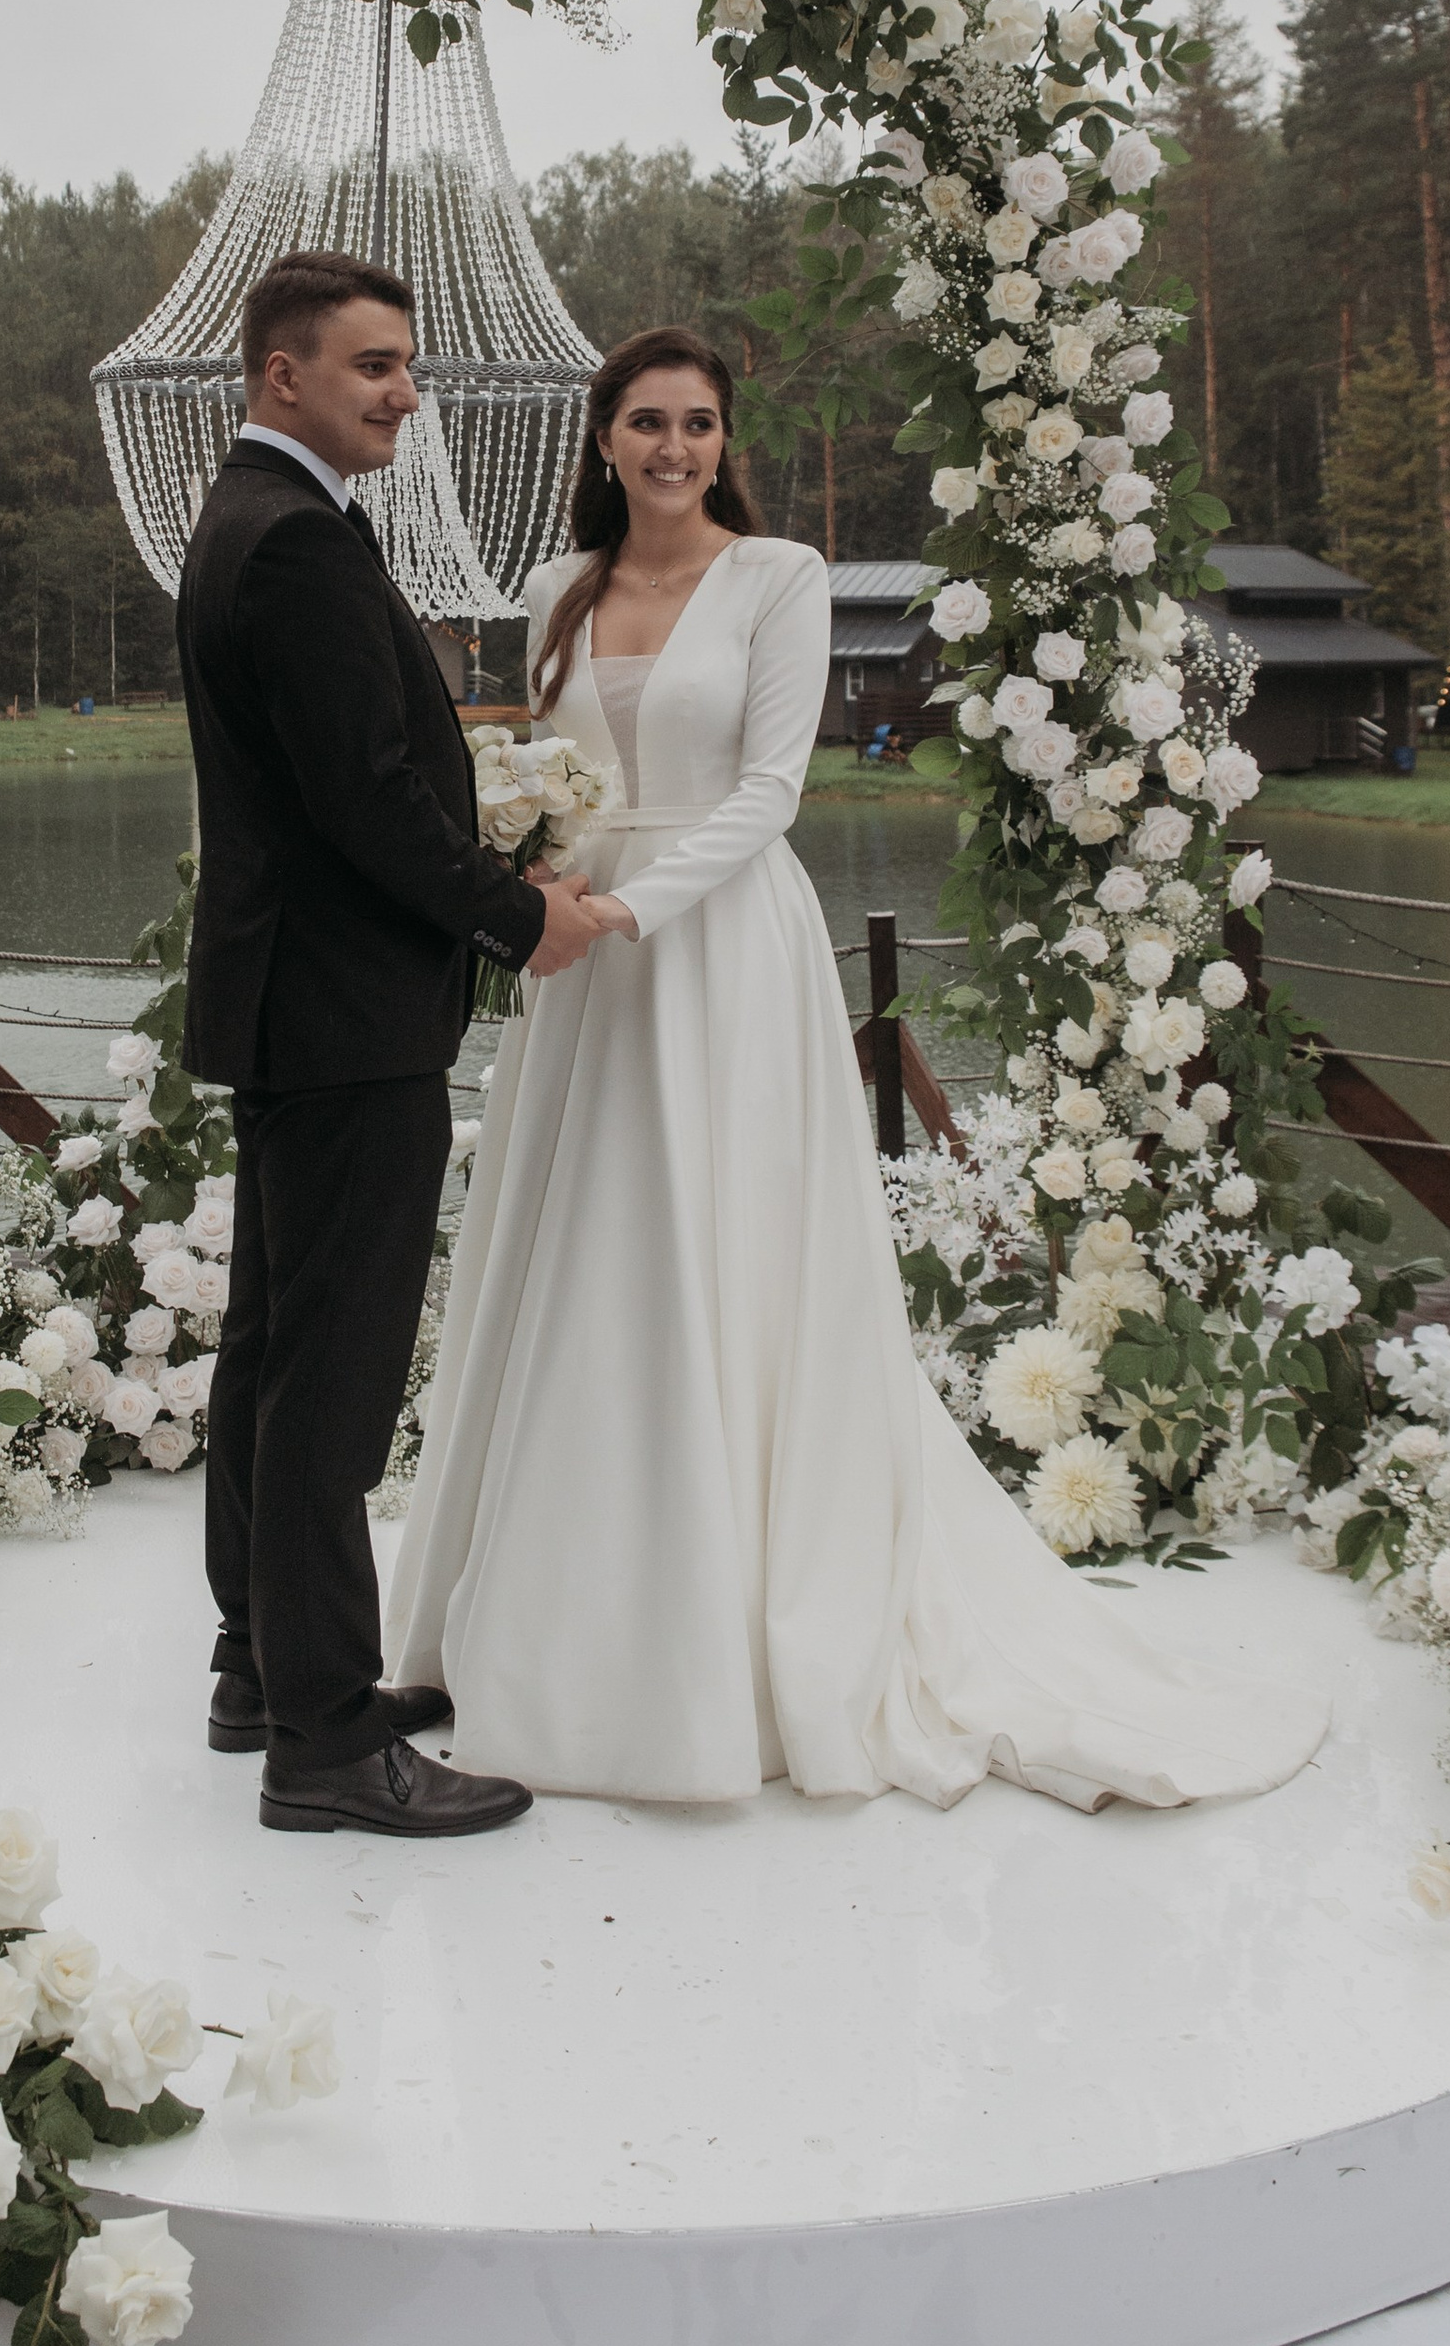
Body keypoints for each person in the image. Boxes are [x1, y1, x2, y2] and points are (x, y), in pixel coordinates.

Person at [388, 327, 1328, 1812]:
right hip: (579, 960)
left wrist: (635, 903)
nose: (674, 447)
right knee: (581, 1249)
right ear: (605, 438)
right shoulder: (554, 592)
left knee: (725, 1248)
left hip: (710, 944)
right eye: (646, 421)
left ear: (725, 440)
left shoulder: (780, 579)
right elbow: (547, 773)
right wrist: (540, 884)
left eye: (698, 423)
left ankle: (733, 1616)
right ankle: (537, 1608)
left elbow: (771, 787)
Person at [175, 250, 614, 1840]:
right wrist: (515, 915)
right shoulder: (288, 543)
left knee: (277, 1347)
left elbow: (353, 774)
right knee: (332, 1380)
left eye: (409, 369)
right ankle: (327, 1737)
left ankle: (259, 1664)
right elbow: (366, 802)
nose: (406, 395)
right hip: (346, 1012)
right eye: (374, 368)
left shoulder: (265, 520)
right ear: (281, 376)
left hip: (304, 1008)